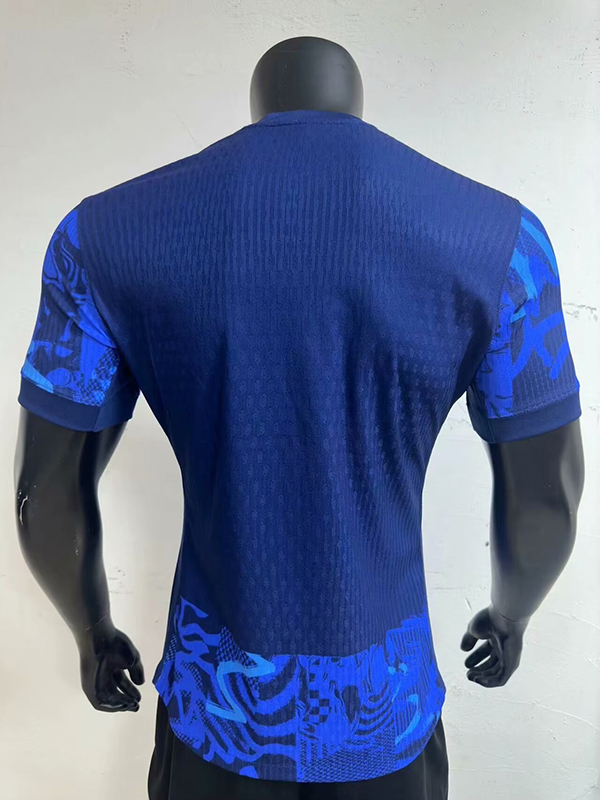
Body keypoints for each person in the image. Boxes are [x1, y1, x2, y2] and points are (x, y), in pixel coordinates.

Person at [14, 36, 584, 800]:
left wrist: (91, 632)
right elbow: (548, 498)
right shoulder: (502, 246)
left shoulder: (101, 241)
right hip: (388, 717)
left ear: (260, 102)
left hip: (218, 720)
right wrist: (511, 618)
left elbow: (45, 493)